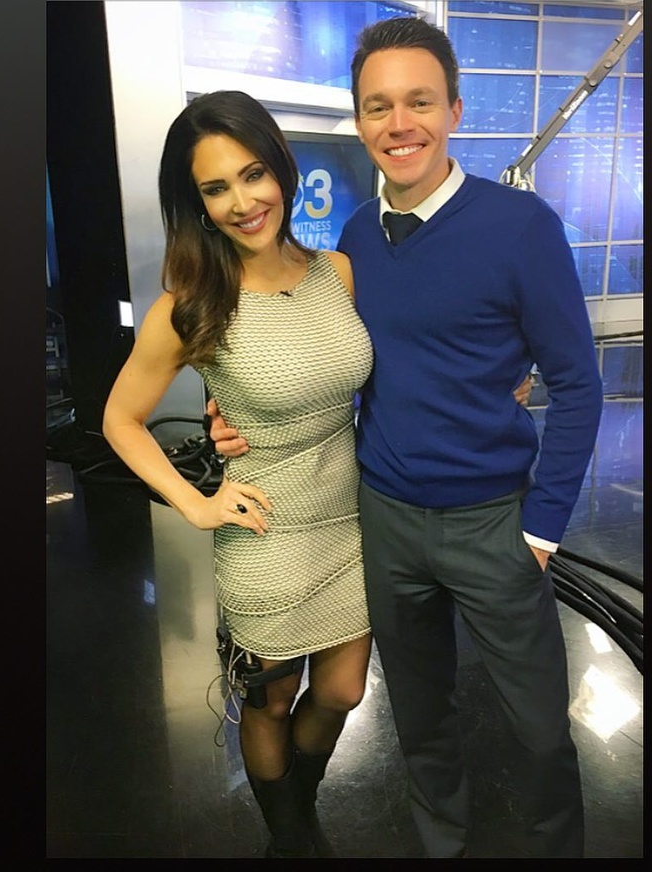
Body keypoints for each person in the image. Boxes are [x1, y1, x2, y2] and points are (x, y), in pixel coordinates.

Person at [209, 16, 604, 860]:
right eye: (378, 106)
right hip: (383, 519)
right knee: (421, 718)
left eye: (419, 102)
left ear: (454, 109)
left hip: (495, 523)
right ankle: (441, 843)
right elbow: (330, 359)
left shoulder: (522, 227)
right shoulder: (356, 237)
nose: (399, 124)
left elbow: (578, 384)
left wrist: (541, 530)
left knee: (540, 730)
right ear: (359, 121)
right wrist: (238, 412)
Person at [102, 90, 376, 859]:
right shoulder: (191, 305)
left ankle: (297, 810)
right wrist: (195, 504)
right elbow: (120, 419)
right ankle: (290, 837)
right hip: (265, 530)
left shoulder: (338, 272)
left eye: (253, 174)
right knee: (271, 699)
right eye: (216, 188)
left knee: (343, 690)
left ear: (281, 169)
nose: (243, 202)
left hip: (349, 519)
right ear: (196, 203)